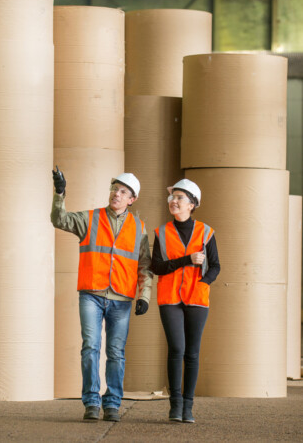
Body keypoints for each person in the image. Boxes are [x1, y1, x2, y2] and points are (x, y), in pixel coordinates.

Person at [51, 167, 153, 422]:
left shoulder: (139, 228)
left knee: (116, 353)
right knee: (91, 347)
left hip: (121, 298)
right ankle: (92, 402)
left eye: (123, 192)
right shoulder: (90, 218)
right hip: (91, 294)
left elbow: (144, 266)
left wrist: (145, 296)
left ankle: (112, 404)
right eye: (114, 189)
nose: (116, 194)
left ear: (132, 199)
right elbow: (59, 219)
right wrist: (60, 193)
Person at [151, 179, 220, 424]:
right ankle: (175, 405)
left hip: (197, 299)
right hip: (169, 298)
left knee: (192, 353)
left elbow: (216, 267)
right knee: (176, 349)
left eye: (179, 197)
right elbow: (157, 267)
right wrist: (187, 260)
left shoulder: (206, 232)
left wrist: (203, 283)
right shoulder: (161, 232)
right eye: (172, 197)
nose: (174, 201)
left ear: (192, 204)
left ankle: (188, 407)